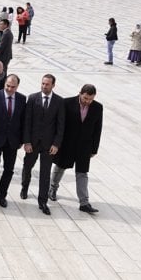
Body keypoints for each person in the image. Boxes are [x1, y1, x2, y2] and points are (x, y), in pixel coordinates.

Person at [50, 84, 103, 214]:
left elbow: (98, 129)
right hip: (67, 144)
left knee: (82, 173)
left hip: (84, 147)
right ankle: (52, 189)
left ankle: (84, 202)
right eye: (85, 98)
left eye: (90, 99)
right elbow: (60, 124)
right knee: (60, 168)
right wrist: (56, 143)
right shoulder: (66, 103)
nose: (87, 102)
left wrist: (94, 149)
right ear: (80, 93)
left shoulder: (97, 107)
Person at [20, 74, 64, 216]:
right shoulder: (33, 98)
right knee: (27, 167)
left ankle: (42, 201)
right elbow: (27, 121)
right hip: (32, 143)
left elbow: (60, 125)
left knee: (45, 174)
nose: (44, 86)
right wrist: (26, 141)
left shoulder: (59, 101)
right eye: (43, 83)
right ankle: (24, 187)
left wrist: (56, 144)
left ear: (53, 85)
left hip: (48, 145)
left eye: (47, 84)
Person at [0, 74, 26, 208]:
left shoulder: (22, 99)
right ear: (4, 84)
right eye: (8, 86)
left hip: (12, 141)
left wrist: (22, 140)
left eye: (13, 87)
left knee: (9, 169)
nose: (10, 89)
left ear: (17, 86)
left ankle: (2, 194)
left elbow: (23, 121)